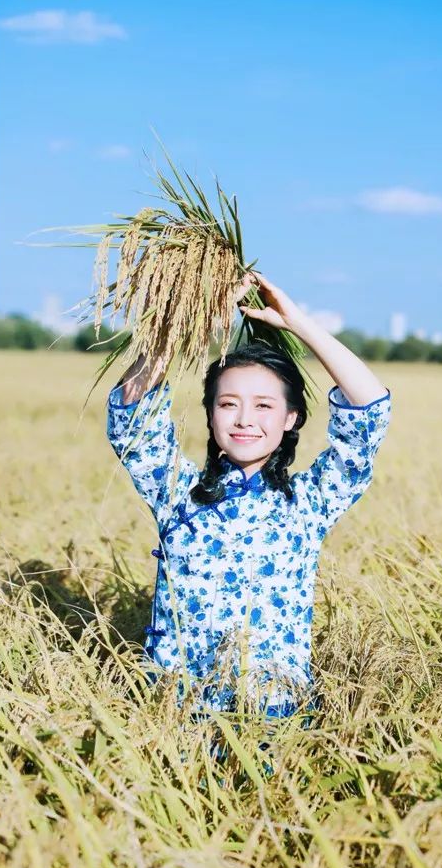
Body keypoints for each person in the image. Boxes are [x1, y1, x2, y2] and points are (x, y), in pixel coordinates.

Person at [106, 271, 391, 720]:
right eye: (227, 403)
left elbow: (369, 411)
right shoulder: (177, 492)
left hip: (271, 720)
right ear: (211, 415)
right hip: (171, 719)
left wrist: (298, 323)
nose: (243, 418)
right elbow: (132, 414)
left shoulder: (309, 503)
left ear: (291, 419)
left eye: (263, 405)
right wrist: (186, 328)